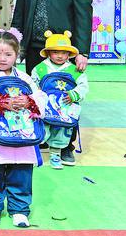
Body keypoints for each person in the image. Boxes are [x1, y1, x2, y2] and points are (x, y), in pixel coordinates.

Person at [11, 0, 92, 164]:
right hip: (35, 49)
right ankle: (40, 137)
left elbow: (84, 17)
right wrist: (15, 46)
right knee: (37, 95)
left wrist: (82, 52)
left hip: (64, 51)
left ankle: (66, 145)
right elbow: (19, 15)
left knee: (66, 96)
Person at [0, 31, 47, 228]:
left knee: (21, 172)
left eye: (8, 54)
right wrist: (0, 104)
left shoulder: (24, 78)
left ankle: (19, 209)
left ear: (17, 55)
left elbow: (40, 97)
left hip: (23, 134)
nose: (2, 59)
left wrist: (29, 101)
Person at [31, 31, 89, 169]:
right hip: (45, 107)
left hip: (64, 108)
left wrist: (75, 94)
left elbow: (83, 86)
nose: (60, 56)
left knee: (61, 131)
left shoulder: (74, 70)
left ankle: (55, 155)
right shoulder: (40, 68)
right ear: (48, 53)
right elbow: (32, 84)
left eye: (64, 52)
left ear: (69, 54)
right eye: (55, 52)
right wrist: (37, 96)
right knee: (41, 129)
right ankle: (33, 154)